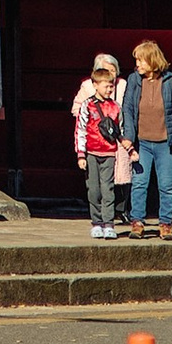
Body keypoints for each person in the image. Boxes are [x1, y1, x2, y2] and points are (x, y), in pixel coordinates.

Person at [120, 42, 172, 242]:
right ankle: (137, 222)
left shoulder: (171, 81)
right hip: (142, 142)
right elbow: (127, 109)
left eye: (140, 60)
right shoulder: (134, 80)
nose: (137, 64)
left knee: (167, 185)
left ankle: (166, 224)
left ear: (152, 60)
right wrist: (128, 136)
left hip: (166, 143)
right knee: (139, 184)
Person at [72, 54, 125, 236]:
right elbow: (80, 129)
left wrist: (129, 148)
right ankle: (96, 222)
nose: (110, 89)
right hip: (91, 152)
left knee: (108, 189)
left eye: (112, 86)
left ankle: (109, 223)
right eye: (106, 86)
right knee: (93, 189)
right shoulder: (87, 105)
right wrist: (80, 154)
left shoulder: (116, 106)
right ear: (95, 85)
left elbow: (120, 130)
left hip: (109, 152)